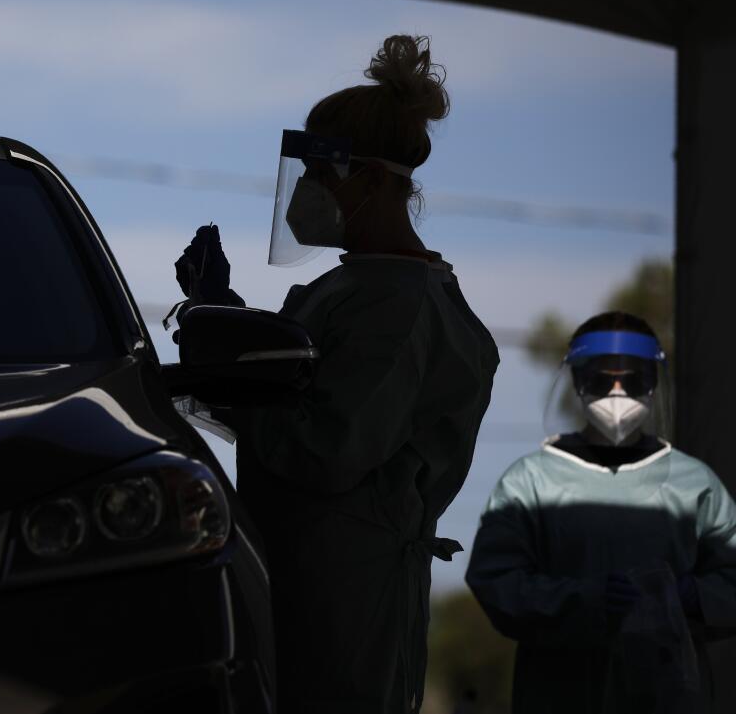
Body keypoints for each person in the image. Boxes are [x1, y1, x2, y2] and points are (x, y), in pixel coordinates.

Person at [175, 35, 499, 713]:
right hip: (301, 577)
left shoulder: (402, 305)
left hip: (348, 597)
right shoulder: (355, 288)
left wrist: (225, 374)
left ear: (375, 181)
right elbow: (296, 383)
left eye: (324, 175)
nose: (310, 192)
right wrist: (223, 320)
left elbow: (326, 447)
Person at [466, 312, 736, 714]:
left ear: (654, 382)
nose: (616, 392)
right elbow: (496, 581)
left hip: (670, 696)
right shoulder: (532, 481)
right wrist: (587, 601)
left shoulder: (693, 483)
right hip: (561, 692)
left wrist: (693, 597)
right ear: (577, 381)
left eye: (633, 379)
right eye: (600, 378)